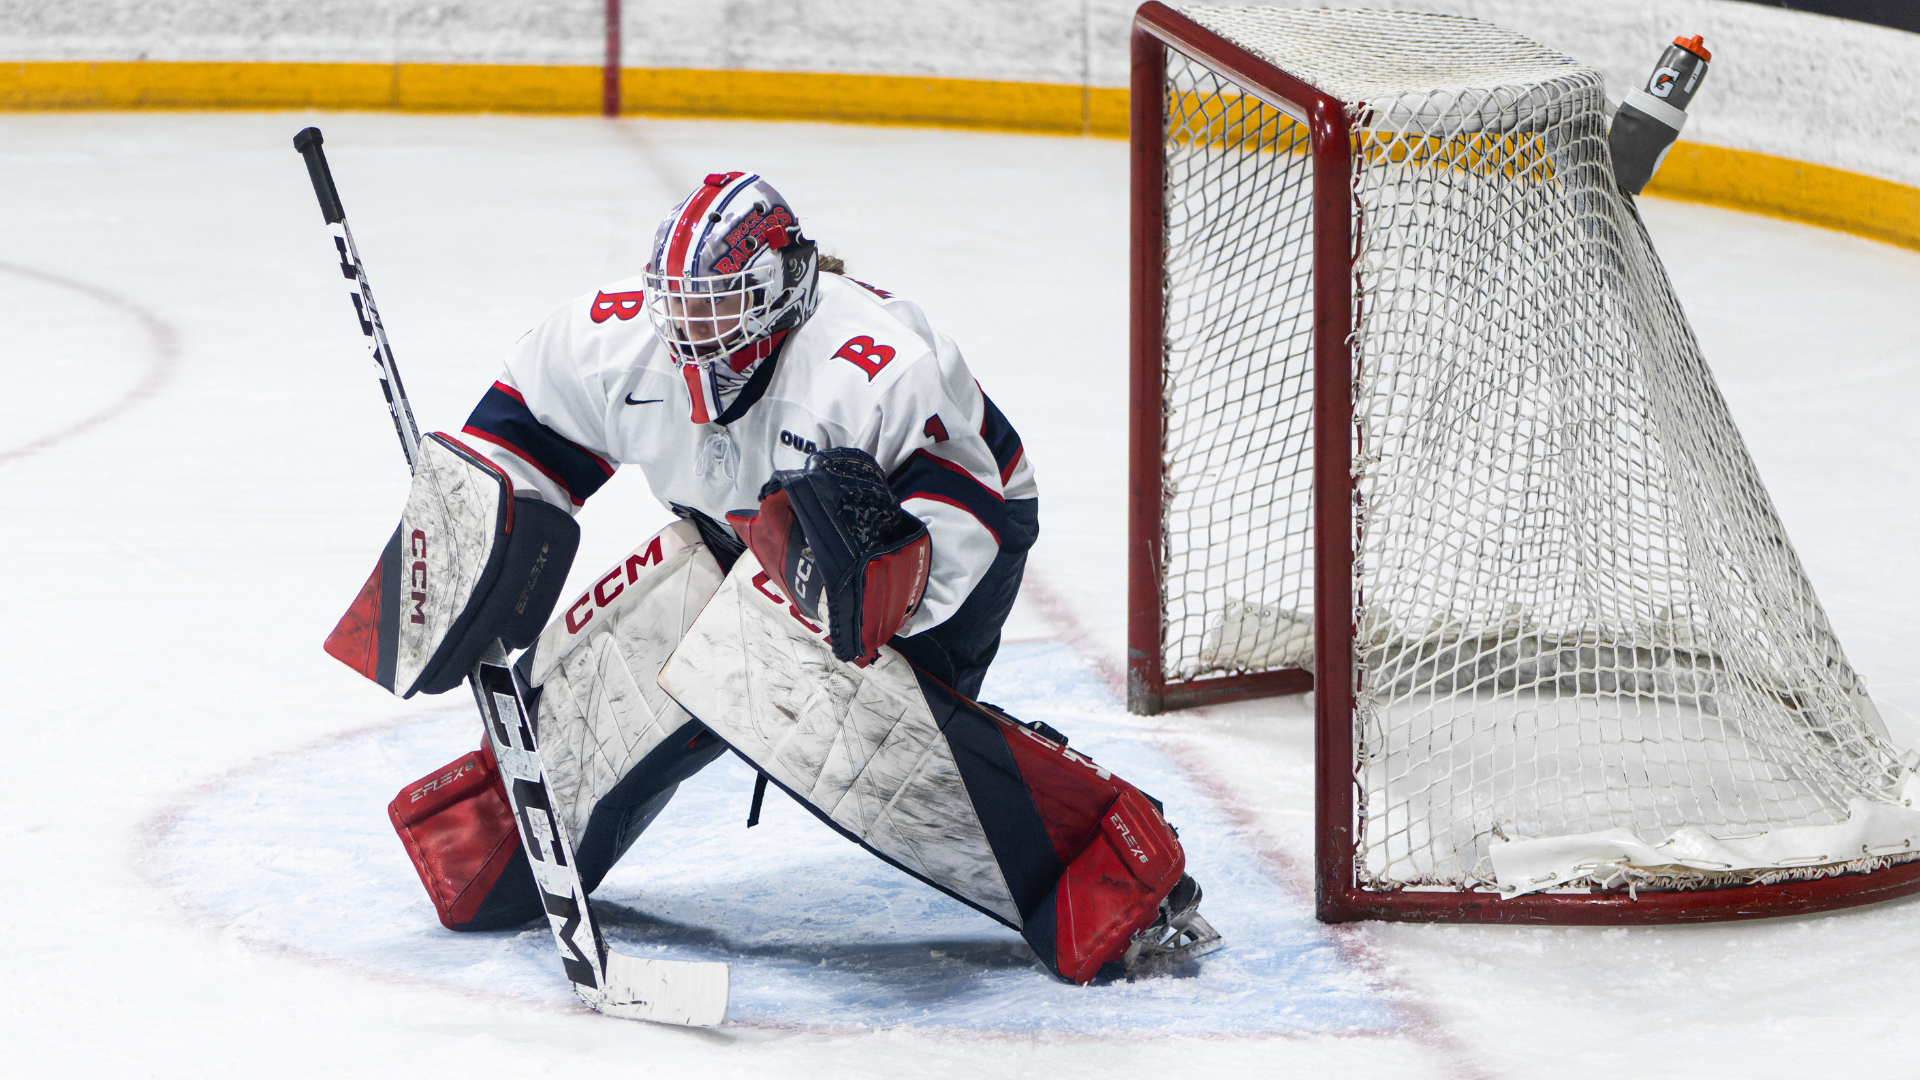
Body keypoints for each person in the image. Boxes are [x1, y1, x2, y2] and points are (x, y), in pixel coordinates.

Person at [334, 172, 1219, 985]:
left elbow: (974, 513)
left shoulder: (880, 367)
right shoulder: (615, 341)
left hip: (949, 551)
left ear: (781, 290)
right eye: (680, 307)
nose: (693, 334)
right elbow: (515, 437)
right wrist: (467, 541)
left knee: (796, 690)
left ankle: (1112, 869)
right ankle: (505, 832)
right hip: (740, 536)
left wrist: (876, 588)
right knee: (674, 615)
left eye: (719, 306)